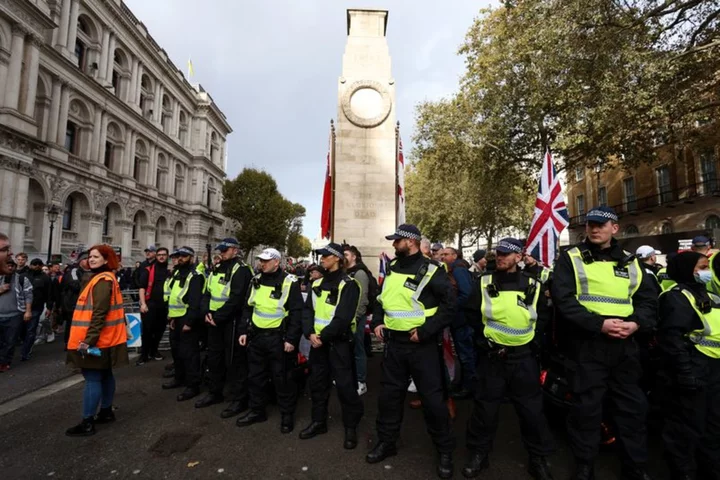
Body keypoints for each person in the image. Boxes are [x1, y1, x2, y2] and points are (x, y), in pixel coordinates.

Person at [551, 206, 657, 480]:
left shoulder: (631, 262)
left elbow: (647, 301)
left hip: (624, 346)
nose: (594, 229)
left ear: (615, 228)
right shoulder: (570, 258)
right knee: (586, 410)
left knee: (632, 409)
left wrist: (635, 324)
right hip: (587, 345)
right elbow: (564, 301)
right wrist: (598, 324)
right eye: (590, 225)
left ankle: (634, 466)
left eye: (600, 225)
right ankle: (585, 465)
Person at [368, 224, 456, 479]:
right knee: (389, 398)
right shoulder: (393, 268)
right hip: (394, 346)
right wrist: (377, 322)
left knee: (433, 402)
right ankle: (387, 442)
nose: (394, 245)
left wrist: (426, 331)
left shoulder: (433, 270)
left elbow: (449, 307)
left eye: (398, 241)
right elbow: (382, 301)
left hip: (422, 346)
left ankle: (444, 451)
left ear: (412, 242)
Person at [463, 238, 555, 479]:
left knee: (531, 412)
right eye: (498, 254)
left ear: (518, 257)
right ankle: (478, 454)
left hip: (523, 358)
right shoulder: (483, 282)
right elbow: (471, 313)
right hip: (492, 357)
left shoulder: (533, 283)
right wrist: (482, 341)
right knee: (485, 409)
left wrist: (533, 342)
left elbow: (543, 316)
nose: (500, 258)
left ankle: (538, 458)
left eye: (506, 254)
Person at [657, 251, 720, 480]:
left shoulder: (706, 293)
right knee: (685, 431)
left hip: (710, 369)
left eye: (706, 267)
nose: (706, 272)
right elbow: (673, 340)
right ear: (687, 270)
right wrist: (685, 373)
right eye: (701, 267)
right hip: (692, 369)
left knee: (711, 428)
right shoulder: (676, 297)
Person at [300, 243, 363, 448]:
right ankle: (318, 422)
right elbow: (307, 310)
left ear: (336, 258)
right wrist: (309, 332)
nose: (322, 259)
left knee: (345, 387)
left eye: (326, 256)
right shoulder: (317, 284)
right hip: (318, 344)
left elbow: (343, 317)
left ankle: (351, 428)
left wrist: (322, 336)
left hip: (338, 344)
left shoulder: (349, 284)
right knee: (317, 385)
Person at [237, 248, 303, 433]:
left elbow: (297, 314)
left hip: (278, 338)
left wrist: (291, 339)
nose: (261, 263)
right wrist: (243, 330)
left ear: (276, 262)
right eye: (260, 260)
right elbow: (248, 307)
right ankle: (257, 411)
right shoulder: (255, 280)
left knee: (282, 378)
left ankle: (287, 415)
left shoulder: (290, 282)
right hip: (257, 336)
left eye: (266, 261)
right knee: (255, 377)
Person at [65, 245, 129, 437]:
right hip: (109, 338)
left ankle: (87, 421)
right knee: (106, 374)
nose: (91, 259)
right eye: (90, 256)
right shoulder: (107, 278)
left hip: (98, 340)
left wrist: (88, 341)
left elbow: (99, 314)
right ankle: (106, 411)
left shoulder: (101, 280)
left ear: (106, 260)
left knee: (93, 378)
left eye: (96, 257)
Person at [196, 238, 253, 419]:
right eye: (220, 249)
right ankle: (215, 392)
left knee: (235, 361)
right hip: (213, 321)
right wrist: (206, 312)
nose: (221, 252)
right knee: (214, 358)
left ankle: (239, 399)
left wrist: (218, 317)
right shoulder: (216, 268)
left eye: (225, 249)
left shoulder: (241, 270)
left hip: (231, 322)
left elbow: (237, 299)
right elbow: (207, 293)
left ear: (234, 250)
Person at [162, 247, 206, 402]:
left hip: (187, 320)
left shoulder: (195, 276)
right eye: (179, 255)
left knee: (190, 354)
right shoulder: (176, 273)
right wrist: (172, 317)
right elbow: (173, 297)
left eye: (184, 256)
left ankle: (192, 385)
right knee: (177, 352)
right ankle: (179, 378)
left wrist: (189, 322)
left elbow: (195, 301)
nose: (180, 258)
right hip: (176, 318)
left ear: (191, 258)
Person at [440, 247, 476, 399]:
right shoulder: (455, 269)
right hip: (460, 319)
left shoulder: (458, 270)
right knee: (463, 354)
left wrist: (451, 307)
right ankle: (464, 383)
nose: (443, 257)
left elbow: (466, 293)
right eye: (442, 254)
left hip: (462, 320)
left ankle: (469, 387)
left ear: (455, 256)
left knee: (466, 355)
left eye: (446, 254)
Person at [344, 245, 371, 396]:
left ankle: (361, 381)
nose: (343, 257)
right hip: (345, 319)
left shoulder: (360, 273)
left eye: (346, 254)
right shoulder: (345, 272)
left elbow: (362, 299)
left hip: (356, 319)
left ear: (354, 257)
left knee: (358, 350)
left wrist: (355, 318)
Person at [136, 247, 170, 365]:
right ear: (156, 256)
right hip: (150, 304)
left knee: (159, 330)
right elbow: (142, 287)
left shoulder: (170, 271)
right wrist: (143, 303)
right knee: (147, 331)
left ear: (167, 256)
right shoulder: (148, 270)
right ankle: (144, 355)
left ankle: (154, 351)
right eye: (159, 254)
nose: (161, 257)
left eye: (164, 255)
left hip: (164, 306)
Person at [0, 259, 32, 372]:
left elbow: (28, 295)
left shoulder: (22, 279)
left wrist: (28, 311)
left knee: (10, 341)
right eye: (7, 266)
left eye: (11, 266)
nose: (9, 268)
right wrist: (1, 289)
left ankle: (5, 362)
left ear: (15, 267)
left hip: (15, 315)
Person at [21, 258, 52, 361]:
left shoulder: (45, 278)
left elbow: (49, 293)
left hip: (36, 307)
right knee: (21, 330)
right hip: (21, 307)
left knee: (31, 330)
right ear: (30, 265)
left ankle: (25, 352)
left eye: (39, 264)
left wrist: (49, 307)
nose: (37, 266)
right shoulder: (23, 276)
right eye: (35, 264)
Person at [60, 252, 92, 347]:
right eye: (86, 259)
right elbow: (75, 285)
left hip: (84, 303)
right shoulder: (74, 271)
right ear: (81, 260)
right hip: (72, 303)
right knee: (72, 325)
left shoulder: (89, 272)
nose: (89, 261)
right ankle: (69, 343)